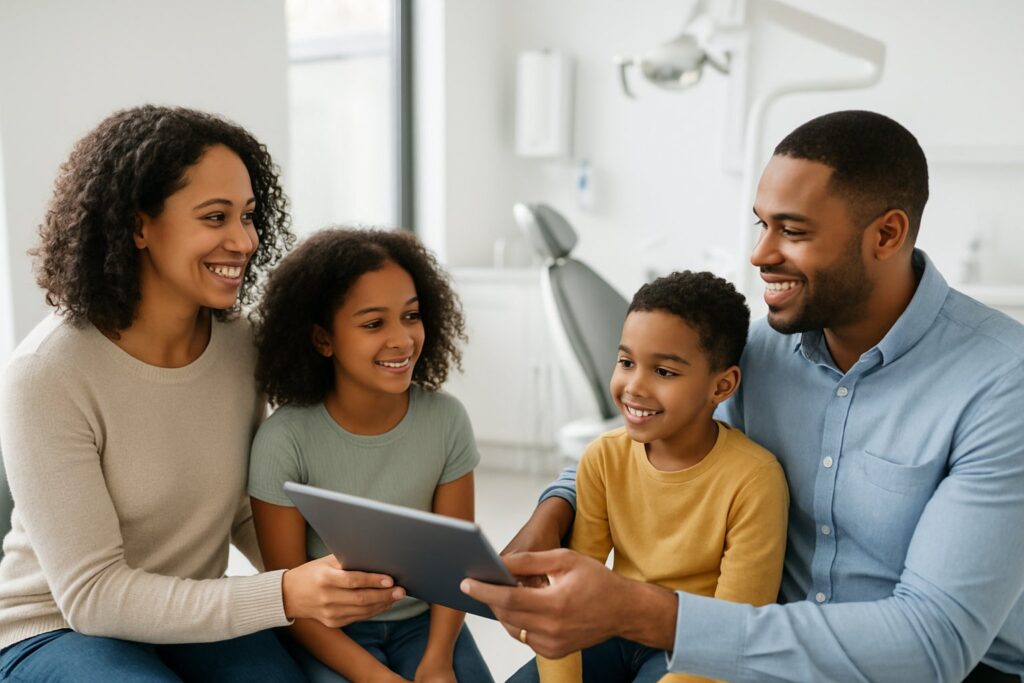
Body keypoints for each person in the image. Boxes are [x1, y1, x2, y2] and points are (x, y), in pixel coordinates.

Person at [461, 110, 1024, 683]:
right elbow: (643, 443)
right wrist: (552, 511)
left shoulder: (1003, 383)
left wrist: (642, 611)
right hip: (763, 649)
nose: (760, 253)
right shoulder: (757, 356)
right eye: (762, 224)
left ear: (886, 235)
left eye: (794, 231)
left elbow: (934, 647)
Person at [0, 106, 403, 681]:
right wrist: (286, 593)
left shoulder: (242, 347)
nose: (243, 240)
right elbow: (91, 595)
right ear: (138, 226)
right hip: (55, 628)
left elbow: (242, 508)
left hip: (186, 615)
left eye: (248, 216)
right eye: (216, 217)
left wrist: (344, 573)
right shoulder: (47, 374)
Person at [248, 228, 493, 683]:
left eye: (411, 315)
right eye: (374, 323)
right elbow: (291, 598)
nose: (401, 340)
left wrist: (438, 661)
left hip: (428, 626)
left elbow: (454, 567)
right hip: (328, 629)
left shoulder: (446, 421)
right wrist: (379, 678)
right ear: (324, 340)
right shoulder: (284, 439)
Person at [527, 271, 788, 683]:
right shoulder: (602, 458)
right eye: (626, 362)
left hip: (692, 647)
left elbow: (733, 633)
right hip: (610, 629)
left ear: (722, 386)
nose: (634, 386)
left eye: (664, 372)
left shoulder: (755, 480)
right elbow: (568, 598)